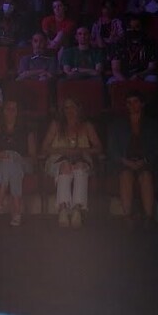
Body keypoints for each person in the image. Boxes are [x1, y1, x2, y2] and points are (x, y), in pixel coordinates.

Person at [41, 98, 102, 229]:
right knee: (65, 167)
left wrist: (81, 150)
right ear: (62, 111)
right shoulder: (56, 125)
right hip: (58, 159)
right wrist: (63, 150)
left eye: (72, 107)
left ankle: (77, 210)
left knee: (80, 167)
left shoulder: (86, 126)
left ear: (78, 109)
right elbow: (44, 148)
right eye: (66, 108)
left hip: (81, 158)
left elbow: (98, 148)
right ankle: (63, 209)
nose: (69, 111)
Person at [107, 92, 158, 223]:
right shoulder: (118, 124)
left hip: (145, 161)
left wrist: (145, 160)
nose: (132, 105)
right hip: (125, 161)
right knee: (126, 175)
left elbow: (157, 147)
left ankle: (148, 217)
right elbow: (112, 148)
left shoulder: (152, 124)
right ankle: (127, 217)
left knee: (146, 176)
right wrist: (124, 161)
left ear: (142, 104)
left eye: (135, 101)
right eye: (129, 102)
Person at [0, 99, 36, 227]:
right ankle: (16, 210)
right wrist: (3, 156)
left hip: (24, 164)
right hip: (0, 165)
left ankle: (0, 197)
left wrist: (15, 157)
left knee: (12, 158)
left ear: (18, 112)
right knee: (10, 163)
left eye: (14, 109)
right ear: (3, 111)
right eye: (8, 109)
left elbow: (32, 155)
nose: (11, 112)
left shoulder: (26, 129)